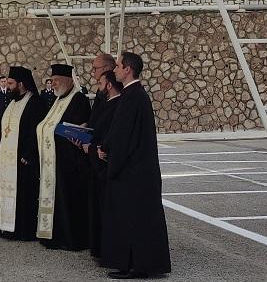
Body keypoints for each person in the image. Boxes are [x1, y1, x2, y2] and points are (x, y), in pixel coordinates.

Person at [101, 52, 171, 279]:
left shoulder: (133, 97)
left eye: (118, 66)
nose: (115, 70)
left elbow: (124, 136)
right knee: (137, 219)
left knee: (134, 220)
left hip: (134, 172)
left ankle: (137, 265)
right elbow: (120, 131)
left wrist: (108, 154)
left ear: (128, 69)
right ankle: (136, 263)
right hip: (138, 170)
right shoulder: (134, 95)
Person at [35, 64, 92, 251]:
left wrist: (62, 130)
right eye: (52, 81)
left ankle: (70, 239)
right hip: (54, 162)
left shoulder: (79, 99)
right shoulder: (58, 99)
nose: (52, 84)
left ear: (68, 80)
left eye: (56, 80)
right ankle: (53, 235)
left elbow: (82, 130)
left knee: (69, 201)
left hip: (70, 162)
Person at [0, 66, 48, 241]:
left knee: (24, 197)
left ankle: (23, 230)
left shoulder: (35, 103)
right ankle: (7, 228)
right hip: (8, 162)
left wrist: (29, 155)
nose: (7, 86)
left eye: (10, 83)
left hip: (24, 161)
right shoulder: (12, 103)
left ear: (21, 84)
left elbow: (36, 132)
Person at [81, 69, 122, 258]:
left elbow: (108, 138)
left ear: (109, 85)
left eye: (100, 83)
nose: (98, 87)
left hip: (104, 167)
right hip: (96, 165)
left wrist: (90, 147)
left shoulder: (117, 106)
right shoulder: (108, 104)